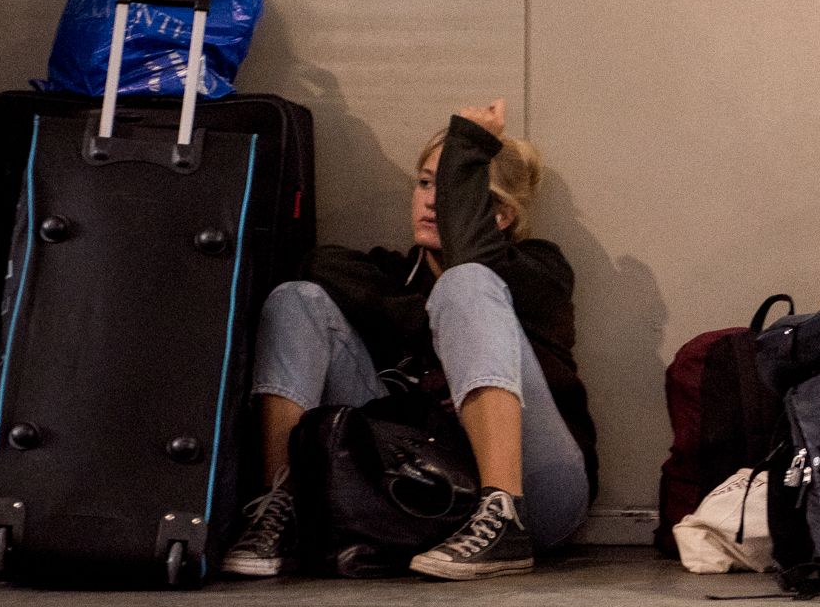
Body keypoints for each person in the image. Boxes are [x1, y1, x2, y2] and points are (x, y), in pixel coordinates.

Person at [226, 102, 596, 580]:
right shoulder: (391, 275)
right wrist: (428, 321)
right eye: (424, 183)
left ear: (500, 215)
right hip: (415, 483)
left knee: (466, 284)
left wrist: (469, 149)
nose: (430, 200)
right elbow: (317, 264)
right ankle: (283, 505)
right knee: (297, 299)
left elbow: (474, 263)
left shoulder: (538, 269)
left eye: (452, 189)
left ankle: (502, 518)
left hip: (542, 491)